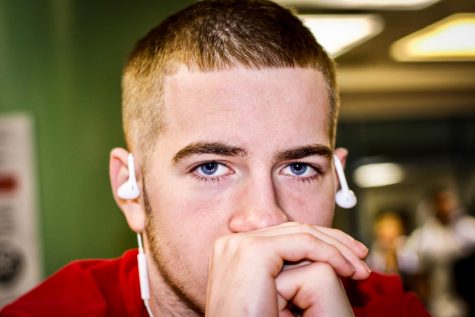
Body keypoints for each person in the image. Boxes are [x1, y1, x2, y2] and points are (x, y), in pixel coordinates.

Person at [1, 1, 430, 316]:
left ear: (337, 178)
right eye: (210, 167)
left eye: (299, 168)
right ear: (130, 191)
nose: (265, 217)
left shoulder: (384, 306)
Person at [399, 188, 475, 317]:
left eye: (449, 202)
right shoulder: (424, 235)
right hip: (436, 292)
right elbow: (408, 262)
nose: (447, 207)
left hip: (466, 292)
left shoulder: (467, 227)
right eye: (442, 202)